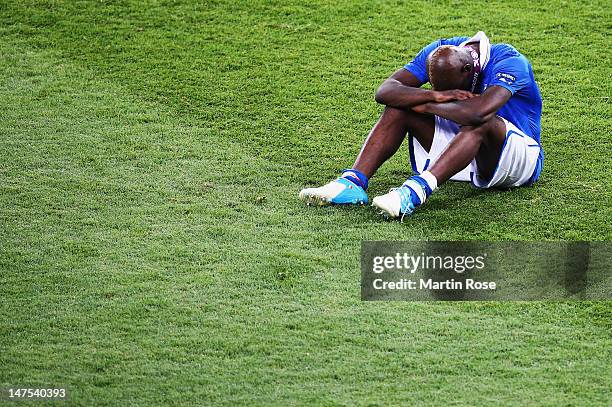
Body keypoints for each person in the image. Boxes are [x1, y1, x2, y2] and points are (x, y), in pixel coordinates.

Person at [299, 32, 543, 220]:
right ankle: (352, 182)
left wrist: (424, 104)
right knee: (399, 105)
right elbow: (385, 91)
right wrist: (433, 98)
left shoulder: (509, 61)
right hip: (468, 149)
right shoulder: (439, 51)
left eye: (448, 91)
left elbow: (477, 113)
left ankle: (414, 193)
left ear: (469, 69)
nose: (444, 94)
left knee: (480, 120)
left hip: (519, 158)